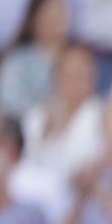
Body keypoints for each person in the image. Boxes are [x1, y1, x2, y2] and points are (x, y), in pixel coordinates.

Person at [22, 43, 104, 189]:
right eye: (70, 75)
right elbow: (27, 163)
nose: (76, 82)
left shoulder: (102, 114)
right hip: (39, 192)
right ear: (56, 78)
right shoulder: (38, 114)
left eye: (83, 74)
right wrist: (45, 134)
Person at [0, 0, 71, 120]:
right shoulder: (16, 61)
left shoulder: (77, 58)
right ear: (34, 19)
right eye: (49, 14)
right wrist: (41, 111)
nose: (56, 20)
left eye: (60, 12)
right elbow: (7, 104)